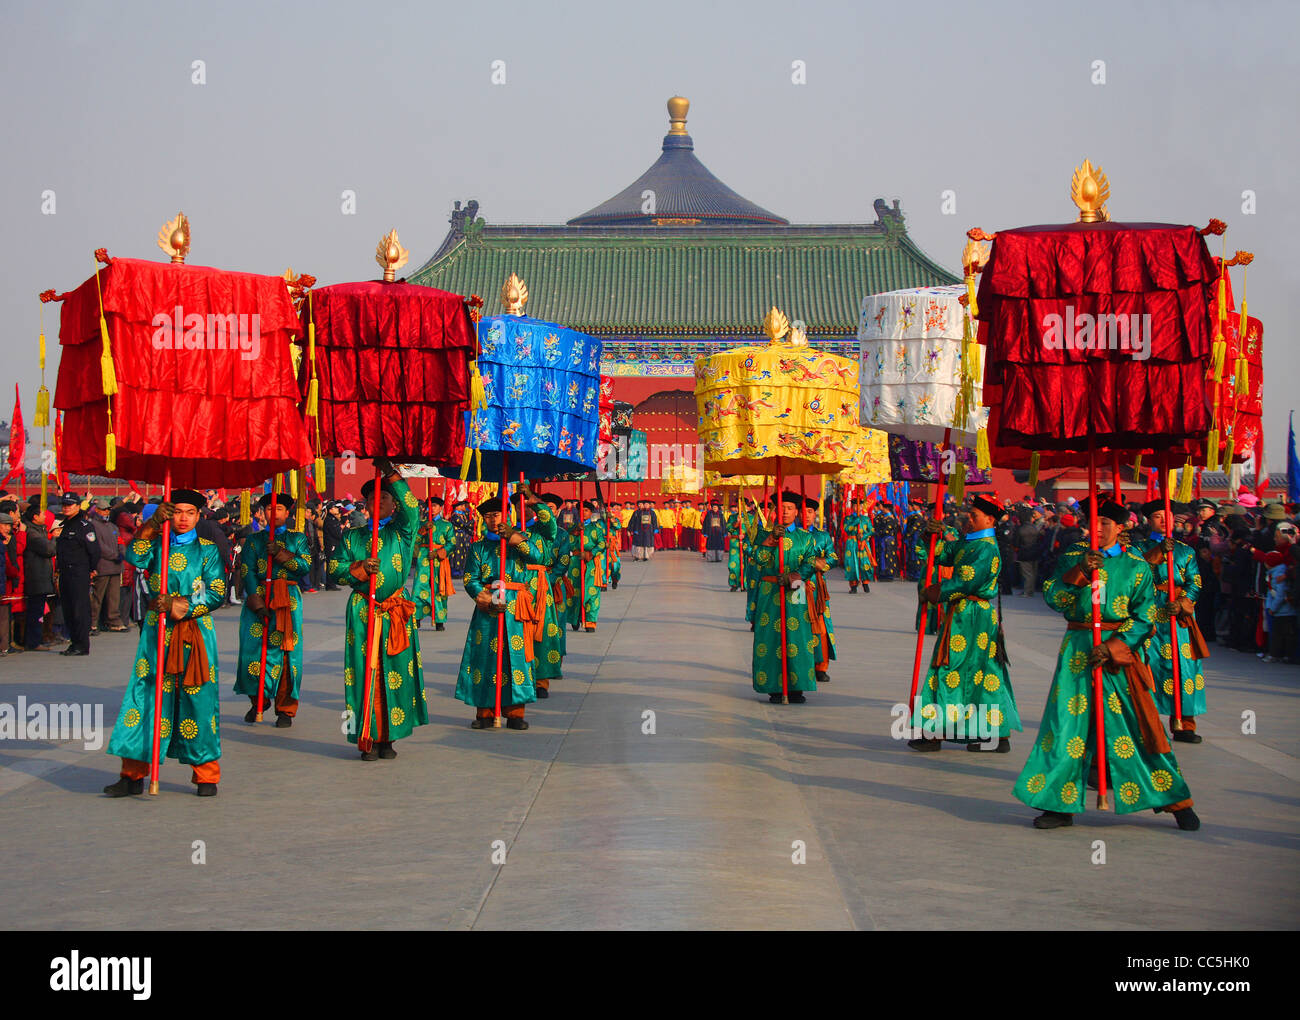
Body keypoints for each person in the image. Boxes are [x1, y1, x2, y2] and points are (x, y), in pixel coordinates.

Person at [1014, 498, 1199, 831]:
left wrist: (1116, 646)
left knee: (1134, 724)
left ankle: (1175, 799)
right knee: (1066, 725)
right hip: (1078, 647)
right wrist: (1082, 571)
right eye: (1093, 523)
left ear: (1121, 527)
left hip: (1118, 654)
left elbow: (1145, 615)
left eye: (1105, 524)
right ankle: (1057, 804)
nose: (1097, 529)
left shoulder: (1137, 565)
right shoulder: (1074, 556)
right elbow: (1054, 597)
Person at [103, 489, 228, 797]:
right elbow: (134, 557)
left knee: (197, 699)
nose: (183, 518)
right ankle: (132, 774)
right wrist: (149, 527)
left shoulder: (208, 550)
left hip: (195, 632)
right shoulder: (157, 544)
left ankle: (206, 775)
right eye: (177, 512)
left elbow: (215, 592)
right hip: (156, 633)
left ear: (200, 516)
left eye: (189, 512)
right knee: (145, 697)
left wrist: (177, 604)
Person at [328, 462, 427, 760]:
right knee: (362, 672)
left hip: (395, 609)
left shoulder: (403, 532)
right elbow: (335, 569)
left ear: (393, 504)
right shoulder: (352, 536)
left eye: (384, 498)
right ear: (365, 504)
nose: (377, 502)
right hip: (363, 610)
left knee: (394, 671)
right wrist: (358, 569)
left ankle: (391, 738)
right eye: (372, 499)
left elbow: (412, 507)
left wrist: (391, 475)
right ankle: (366, 734)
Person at [909, 494, 1021, 752]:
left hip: (972, 615)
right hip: (963, 613)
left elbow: (966, 580)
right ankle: (989, 734)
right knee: (977, 672)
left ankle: (941, 731)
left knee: (956, 669)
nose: (968, 519)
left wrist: (935, 592)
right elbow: (944, 555)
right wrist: (931, 535)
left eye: (974, 516)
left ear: (990, 519)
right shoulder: (970, 543)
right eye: (969, 515)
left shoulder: (987, 548)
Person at [456, 486, 556, 728]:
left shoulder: (523, 538)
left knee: (515, 658)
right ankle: (486, 712)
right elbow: (470, 578)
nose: (492, 520)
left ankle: (515, 712)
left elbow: (537, 556)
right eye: (488, 517)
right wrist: (485, 598)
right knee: (485, 658)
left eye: (497, 515)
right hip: (489, 607)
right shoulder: (479, 547)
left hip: (515, 606)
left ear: (507, 515)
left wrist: (513, 537)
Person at [233, 492, 310, 728]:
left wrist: (280, 553)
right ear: (262, 513)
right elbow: (246, 571)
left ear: (287, 514)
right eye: (269, 509)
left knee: (287, 652)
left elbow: (304, 567)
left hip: (288, 600)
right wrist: (256, 602)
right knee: (252, 652)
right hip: (259, 599)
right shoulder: (253, 541)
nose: (273, 513)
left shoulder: (298, 539)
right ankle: (258, 699)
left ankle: (285, 709)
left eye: (278, 509)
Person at [1138, 500, 1210, 743]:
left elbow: (1195, 582)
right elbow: (1136, 575)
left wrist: (1182, 602)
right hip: (1149, 612)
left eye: (1167, 515)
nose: (1163, 520)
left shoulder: (1185, 550)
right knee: (1150, 665)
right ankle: (1147, 722)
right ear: (1149, 520)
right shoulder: (1137, 549)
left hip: (1178, 614)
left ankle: (1184, 724)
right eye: (1157, 516)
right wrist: (1158, 553)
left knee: (1185, 666)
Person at [749, 492, 819, 703]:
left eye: (790, 508)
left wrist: (794, 577)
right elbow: (757, 559)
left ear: (797, 512)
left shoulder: (805, 537)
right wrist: (771, 539)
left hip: (796, 588)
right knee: (771, 637)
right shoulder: (764, 534)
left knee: (798, 636)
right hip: (770, 590)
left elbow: (810, 562)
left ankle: (797, 686)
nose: (786, 511)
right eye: (782, 507)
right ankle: (774, 686)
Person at [799, 496, 838, 684]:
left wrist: (821, 563)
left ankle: (820, 666)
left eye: (809, 511)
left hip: (817, 588)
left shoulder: (822, 536)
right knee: (798, 622)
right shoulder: (792, 535)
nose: (805, 515)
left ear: (815, 514)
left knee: (820, 626)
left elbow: (833, 557)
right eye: (803, 511)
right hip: (798, 585)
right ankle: (799, 664)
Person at [54, 493, 97, 656]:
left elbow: (94, 551)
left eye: (70, 505)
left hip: (79, 573)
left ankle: (82, 644)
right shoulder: (66, 525)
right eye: (64, 504)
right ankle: (74, 642)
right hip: (65, 573)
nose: (66, 507)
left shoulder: (84, 526)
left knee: (79, 609)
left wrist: (92, 569)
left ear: (78, 507)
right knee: (69, 609)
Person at [412, 495, 456, 631]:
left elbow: (452, 543)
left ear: (441, 508)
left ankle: (439, 620)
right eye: (429, 506)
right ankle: (417, 617)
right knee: (419, 587)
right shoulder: (421, 523)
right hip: (424, 558)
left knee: (438, 589)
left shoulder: (447, 525)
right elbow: (415, 540)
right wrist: (424, 529)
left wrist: (438, 553)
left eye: (435, 506)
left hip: (439, 559)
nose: (431, 509)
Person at [87, 497, 127, 634]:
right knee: (97, 597)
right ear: (97, 510)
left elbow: (120, 541)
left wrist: (122, 553)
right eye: (103, 510)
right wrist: (114, 555)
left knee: (114, 597)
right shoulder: (92, 525)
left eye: (108, 510)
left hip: (116, 567)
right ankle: (92, 623)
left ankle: (113, 621)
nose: (106, 513)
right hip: (102, 566)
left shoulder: (112, 526)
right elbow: (99, 546)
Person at [568, 500, 607, 631]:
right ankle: (575, 618)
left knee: (592, 592)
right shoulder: (573, 527)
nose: (583, 513)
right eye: (581, 510)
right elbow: (568, 542)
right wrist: (575, 531)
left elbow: (602, 544)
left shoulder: (596, 528)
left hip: (591, 564)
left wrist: (591, 553)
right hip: (575, 563)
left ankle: (590, 620)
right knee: (575, 591)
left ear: (591, 513)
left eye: (586, 510)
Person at [843, 498, 874, 593]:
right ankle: (853, 586)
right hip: (852, 543)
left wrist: (864, 535)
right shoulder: (848, 518)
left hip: (863, 543)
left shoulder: (865, 518)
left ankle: (865, 582)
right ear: (852, 507)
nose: (858, 507)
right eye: (855, 505)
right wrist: (854, 522)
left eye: (859, 505)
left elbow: (871, 530)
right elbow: (846, 529)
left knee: (865, 563)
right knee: (852, 564)